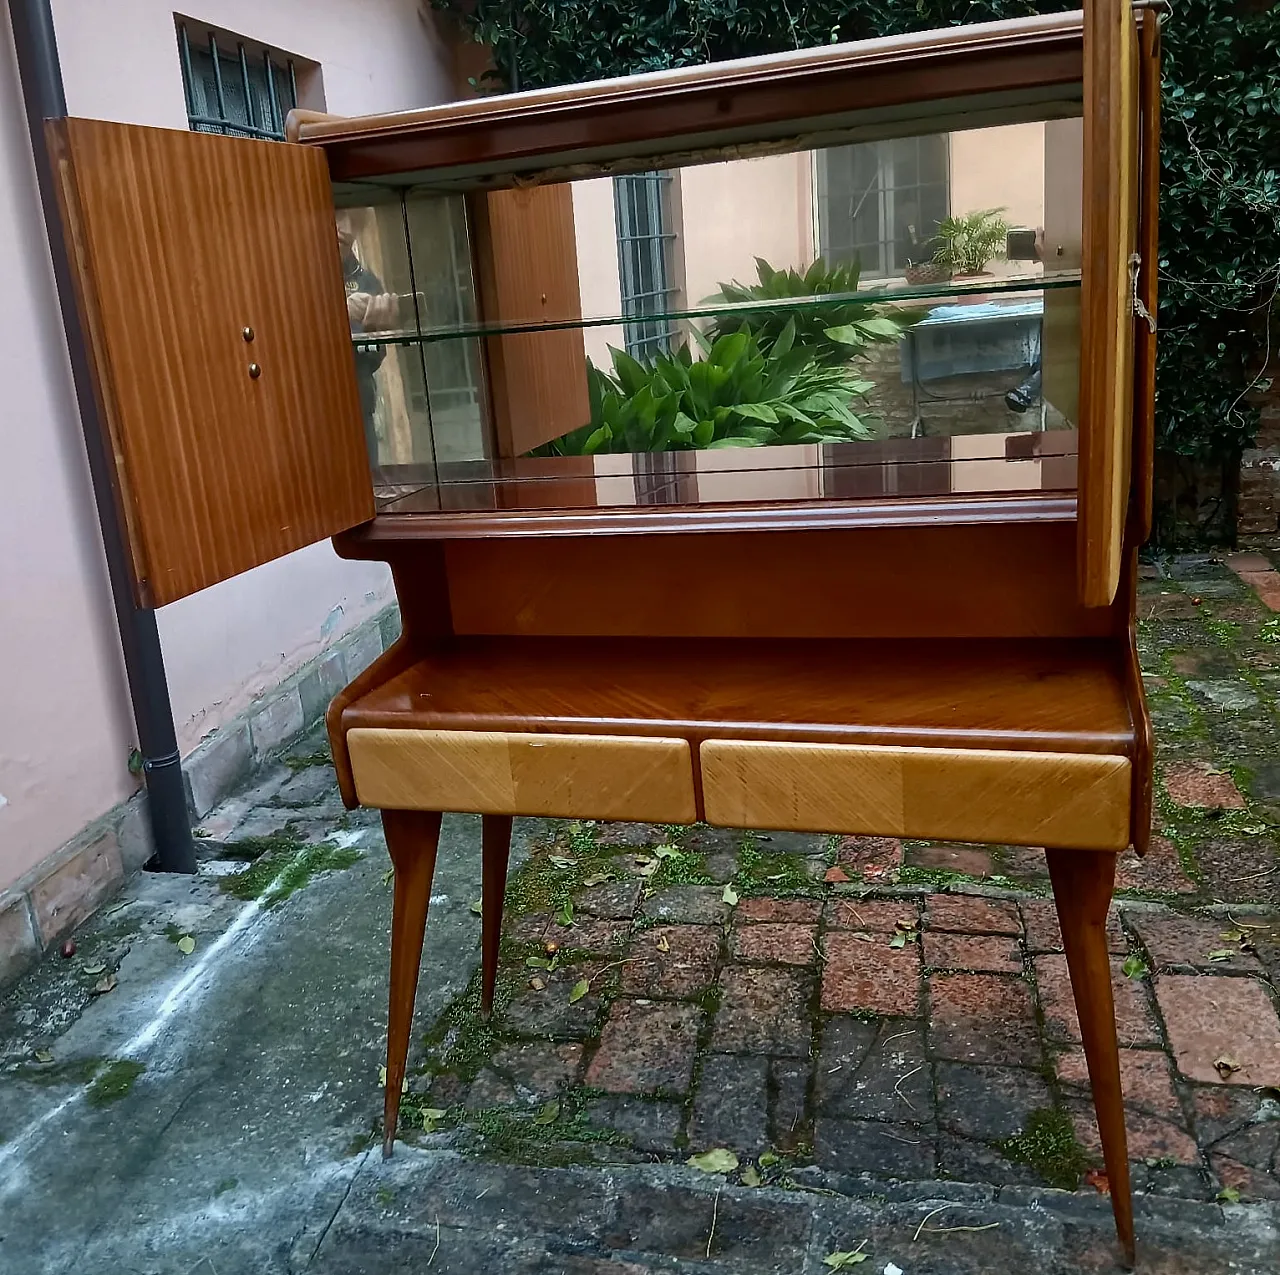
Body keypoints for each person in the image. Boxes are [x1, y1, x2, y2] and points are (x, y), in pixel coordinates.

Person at [336, 210, 401, 461]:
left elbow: (374, 358)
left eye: (352, 220)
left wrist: (377, 332)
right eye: (337, 215)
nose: (346, 228)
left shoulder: (366, 280)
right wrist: (337, 312)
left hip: (359, 410)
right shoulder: (293, 276)